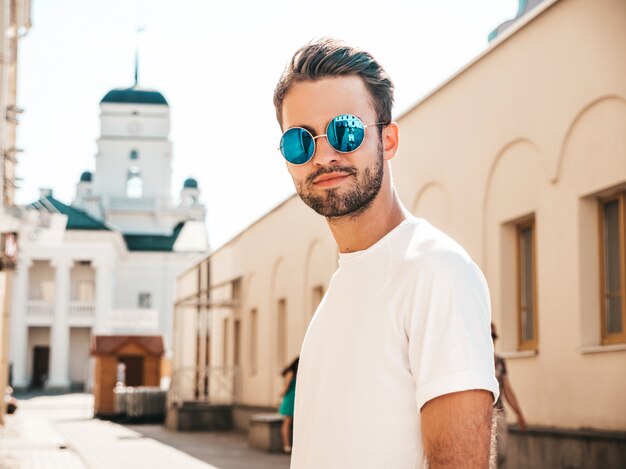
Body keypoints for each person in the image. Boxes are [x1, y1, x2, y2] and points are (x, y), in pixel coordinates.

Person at [273, 38, 500, 469]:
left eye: (345, 130)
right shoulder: (339, 293)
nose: (324, 155)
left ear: (389, 139)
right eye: (300, 141)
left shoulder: (435, 271)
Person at [491, 322, 526, 467]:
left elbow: (507, 389)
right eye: (488, 336)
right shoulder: (477, 363)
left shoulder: (500, 362)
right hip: (481, 416)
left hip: (499, 414)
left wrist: (519, 412)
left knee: (502, 455)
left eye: (493, 336)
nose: (491, 340)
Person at [279, 356, 299, 454]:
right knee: (287, 422)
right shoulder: (291, 373)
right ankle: (286, 445)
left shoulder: (297, 373)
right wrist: (281, 394)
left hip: (295, 399)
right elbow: (286, 387)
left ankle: (290, 445)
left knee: (291, 422)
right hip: (290, 399)